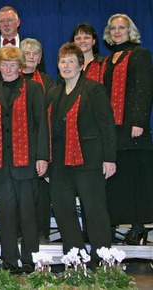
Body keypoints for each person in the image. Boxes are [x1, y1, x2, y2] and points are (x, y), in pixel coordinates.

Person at [0, 46, 49, 273]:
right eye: (4, 64)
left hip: (27, 163)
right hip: (0, 165)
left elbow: (42, 126)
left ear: (21, 67)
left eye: (13, 65)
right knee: (6, 214)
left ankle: (30, 259)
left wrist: (42, 157)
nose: (8, 69)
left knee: (28, 214)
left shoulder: (34, 89)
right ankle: (9, 259)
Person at [48, 43, 115, 263]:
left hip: (89, 160)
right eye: (62, 61)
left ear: (80, 65)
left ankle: (102, 260)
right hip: (59, 163)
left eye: (71, 61)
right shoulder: (54, 93)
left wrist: (109, 158)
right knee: (63, 210)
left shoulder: (93, 89)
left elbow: (106, 125)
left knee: (94, 211)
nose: (66, 66)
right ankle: (75, 259)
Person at [101, 13, 153, 245]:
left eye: (122, 27)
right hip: (113, 130)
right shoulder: (107, 60)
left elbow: (143, 89)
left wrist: (139, 121)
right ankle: (114, 225)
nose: (117, 31)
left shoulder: (139, 54)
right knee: (117, 180)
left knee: (136, 179)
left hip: (132, 129)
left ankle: (139, 227)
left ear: (130, 30)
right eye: (113, 28)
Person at [19, 38, 54, 243]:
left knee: (41, 192)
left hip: (41, 140)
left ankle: (41, 230)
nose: (31, 57)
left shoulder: (48, 82)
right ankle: (20, 230)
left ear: (40, 58)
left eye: (35, 54)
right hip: (17, 143)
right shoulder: (11, 78)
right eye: (27, 53)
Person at [0, 6, 46, 77]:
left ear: (18, 22)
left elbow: (40, 76)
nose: (6, 24)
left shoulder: (33, 47)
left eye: (10, 20)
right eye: (2, 21)